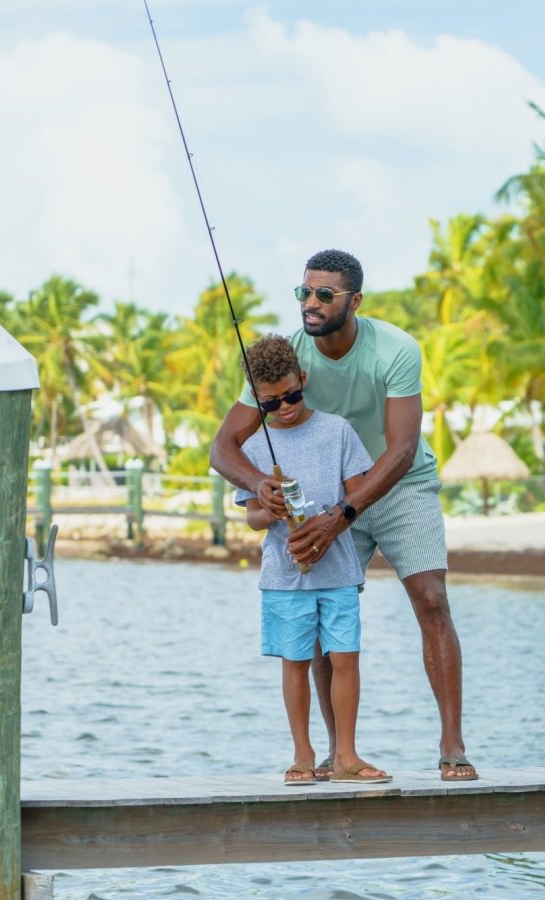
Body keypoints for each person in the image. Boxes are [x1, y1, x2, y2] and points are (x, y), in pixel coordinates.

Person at [211, 249, 478, 782]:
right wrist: (259, 487)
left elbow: (402, 450)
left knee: (431, 598)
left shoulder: (396, 349)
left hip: (400, 484)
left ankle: (452, 744)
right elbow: (223, 448)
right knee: (316, 619)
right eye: (304, 292)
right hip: (325, 496)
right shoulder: (283, 360)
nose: (310, 303)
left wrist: (343, 514)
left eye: (324, 294)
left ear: (354, 301)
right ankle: (336, 754)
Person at [232, 334, 390, 785]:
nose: (284, 408)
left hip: (338, 570)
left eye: (292, 395)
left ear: (304, 379)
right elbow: (253, 519)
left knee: (345, 657)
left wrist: (331, 516)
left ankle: (346, 755)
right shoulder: (255, 448)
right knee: (295, 661)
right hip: (284, 579)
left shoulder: (336, 430)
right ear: (256, 399)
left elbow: (360, 492)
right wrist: (270, 507)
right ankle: (303, 753)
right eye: (271, 403)